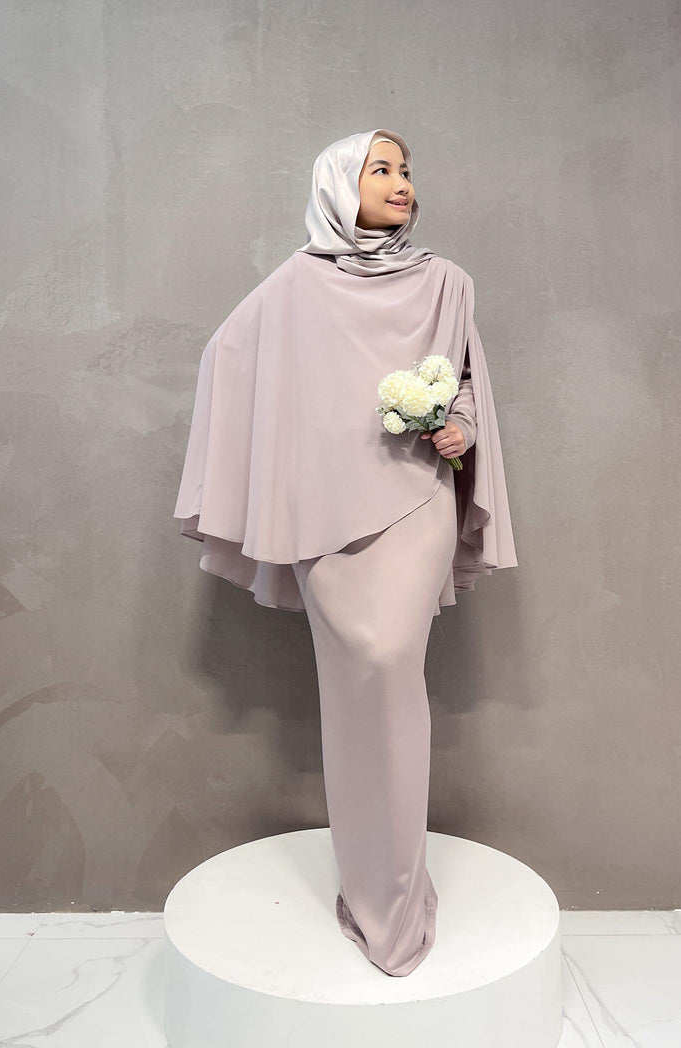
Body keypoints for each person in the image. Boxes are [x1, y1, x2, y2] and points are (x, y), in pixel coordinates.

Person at [173, 128, 517, 977]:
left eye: (407, 170)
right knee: (353, 679)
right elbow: (230, 357)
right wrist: (292, 447)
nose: (402, 182)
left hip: (414, 500)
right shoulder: (295, 284)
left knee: (390, 660)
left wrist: (459, 425)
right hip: (323, 513)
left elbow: (465, 383)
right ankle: (372, 888)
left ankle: (394, 898)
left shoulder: (446, 281)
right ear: (338, 184)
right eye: (381, 169)